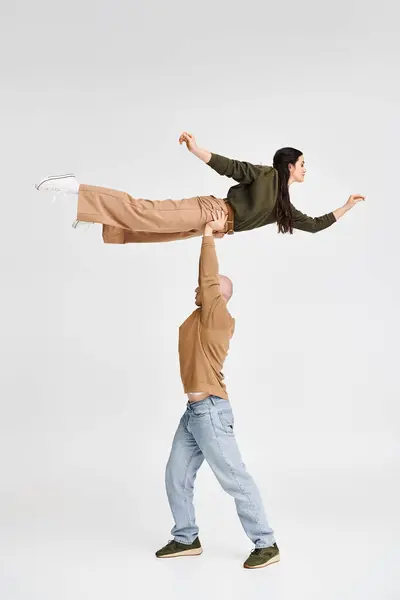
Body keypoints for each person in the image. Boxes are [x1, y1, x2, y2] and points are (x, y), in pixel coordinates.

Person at [155, 210, 280, 570]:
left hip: (211, 410)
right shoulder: (198, 318)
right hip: (194, 414)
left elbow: (208, 279)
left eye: (209, 288)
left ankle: (266, 543)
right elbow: (206, 284)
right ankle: (186, 537)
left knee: (235, 479)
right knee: (175, 475)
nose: (198, 288)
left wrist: (208, 234)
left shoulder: (218, 318)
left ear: (220, 296)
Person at [35, 132, 365, 244]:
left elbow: (317, 226)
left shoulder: (284, 207)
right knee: (145, 211)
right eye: (303, 163)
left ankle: (99, 218)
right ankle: (78, 189)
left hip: (216, 228)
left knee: (150, 232)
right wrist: (197, 149)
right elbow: (231, 167)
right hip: (212, 211)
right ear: (289, 165)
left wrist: (347, 206)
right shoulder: (266, 175)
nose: (306, 169)